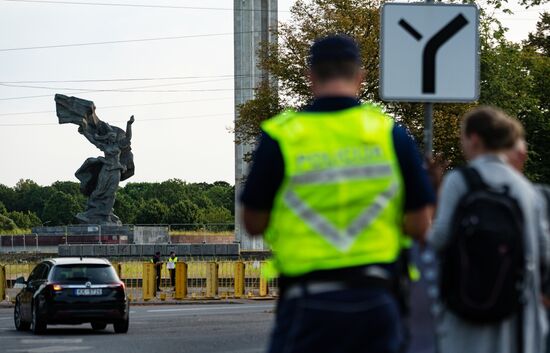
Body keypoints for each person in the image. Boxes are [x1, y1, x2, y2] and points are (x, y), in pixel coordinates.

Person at [240, 34, 435, 353]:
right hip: (377, 301)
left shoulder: (281, 136)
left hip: (307, 302)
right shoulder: (391, 134)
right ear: (360, 76)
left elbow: (253, 223)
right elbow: (420, 225)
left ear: (310, 76)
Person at [428, 106, 549, 353]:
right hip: (518, 317)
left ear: (474, 139)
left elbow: (439, 238)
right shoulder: (526, 190)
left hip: (466, 308)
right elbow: (544, 253)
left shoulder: (460, 180)